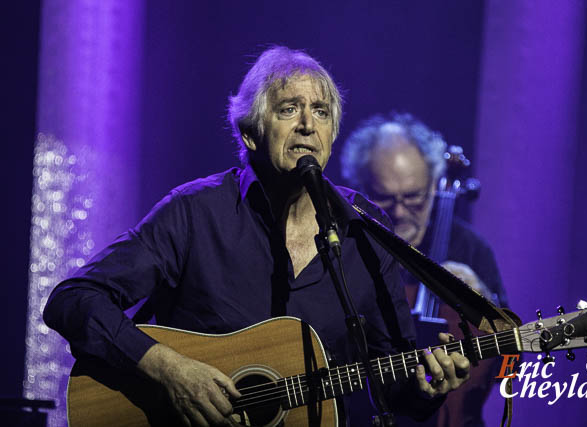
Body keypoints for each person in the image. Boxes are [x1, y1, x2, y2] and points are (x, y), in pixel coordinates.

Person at [43, 48, 471, 426]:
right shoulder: (196, 212)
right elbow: (73, 300)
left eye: (321, 112)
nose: (307, 125)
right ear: (250, 132)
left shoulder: (365, 228)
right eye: (288, 109)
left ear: (332, 136)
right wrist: (170, 370)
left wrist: (427, 387)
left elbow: (388, 380)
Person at [341, 113, 508, 427]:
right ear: (360, 188)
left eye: (414, 197)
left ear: (434, 184)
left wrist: (485, 303)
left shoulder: (470, 248)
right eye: (384, 197)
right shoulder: (346, 249)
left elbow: (510, 366)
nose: (400, 212)